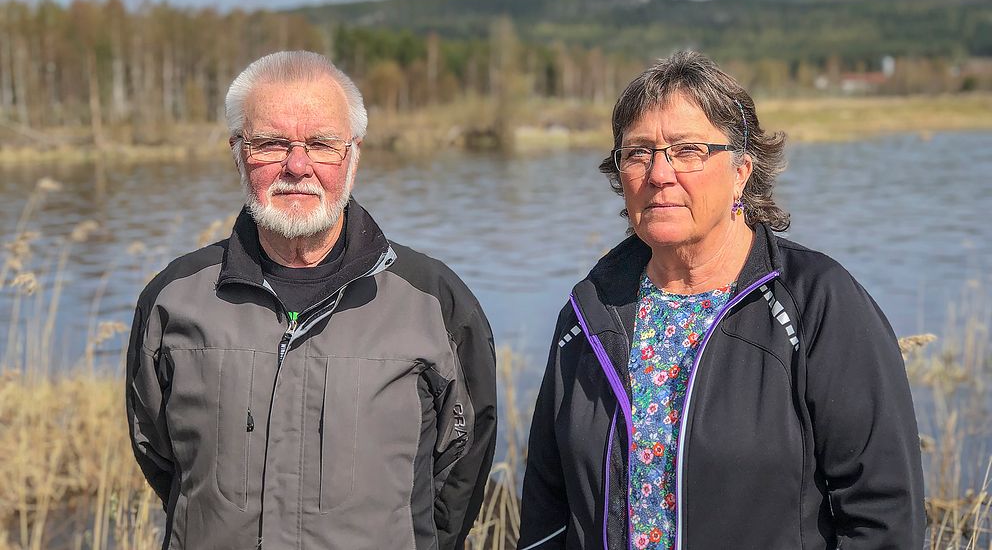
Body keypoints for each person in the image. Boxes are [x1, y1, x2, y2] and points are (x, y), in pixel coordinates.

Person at [517, 50, 924, 550]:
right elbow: (547, 507)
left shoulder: (817, 304)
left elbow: (884, 516)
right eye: (638, 152)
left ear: (741, 171)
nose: (659, 174)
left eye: (687, 150)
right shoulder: (590, 312)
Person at [125, 51, 497, 550]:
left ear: (353, 155)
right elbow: (160, 457)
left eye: (321, 144)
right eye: (271, 144)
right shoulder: (174, 300)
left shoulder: (434, 302)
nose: (297, 166)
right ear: (238, 151)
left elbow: (461, 469)